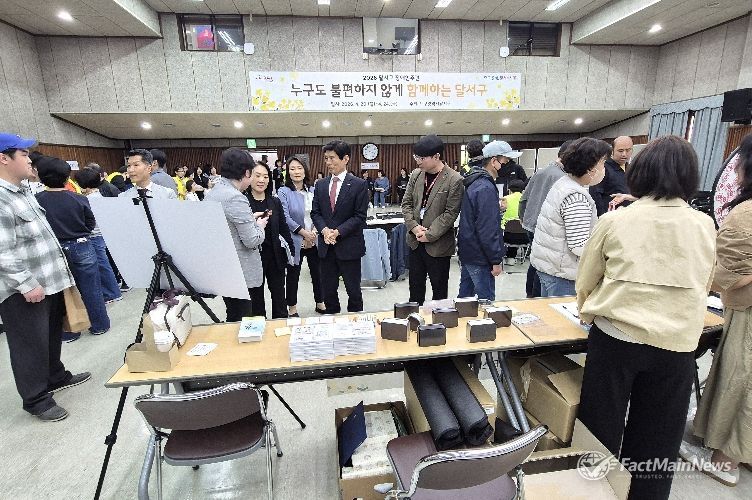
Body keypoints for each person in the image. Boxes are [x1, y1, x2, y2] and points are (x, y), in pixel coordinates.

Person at [576, 135, 716, 500]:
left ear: (640, 172)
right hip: (677, 344)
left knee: (600, 431)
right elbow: (705, 281)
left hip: (617, 337)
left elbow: (586, 280)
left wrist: (587, 309)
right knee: (658, 439)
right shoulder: (704, 224)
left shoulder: (615, 220)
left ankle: (593, 492)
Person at [0, 134, 90, 422]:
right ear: (4, 158)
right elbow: (2, 251)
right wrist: (26, 284)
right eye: (24, 154)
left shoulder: (22, 191)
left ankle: (55, 375)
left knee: (50, 335)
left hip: (48, 281)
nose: (30, 160)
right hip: (24, 289)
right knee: (29, 344)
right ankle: (36, 399)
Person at [681, 133, 752, 487]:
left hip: (748, 313)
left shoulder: (745, 214)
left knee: (742, 381)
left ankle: (726, 459)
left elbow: (725, 274)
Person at [35, 156, 112, 340]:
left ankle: (69, 331)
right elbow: (90, 222)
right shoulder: (79, 198)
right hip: (82, 244)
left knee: (61, 291)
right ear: (67, 177)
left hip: (54, 248)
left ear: (40, 177)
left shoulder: (36, 200)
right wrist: (81, 232)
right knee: (91, 287)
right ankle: (100, 325)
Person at [530, 138, 610, 297]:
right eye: (603, 163)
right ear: (590, 168)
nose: (604, 168)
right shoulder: (576, 197)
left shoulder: (563, 184)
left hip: (551, 266)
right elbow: (579, 246)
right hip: (563, 274)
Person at [204, 149, 267, 321]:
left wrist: (249, 219)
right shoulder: (235, 197)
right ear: (246, 173)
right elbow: (252, 240)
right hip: (240, 271)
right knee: (243, 318)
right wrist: (260, 226)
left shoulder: (214, 193)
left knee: (233, 314)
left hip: (224, 268)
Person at [401, 135, 464, 305]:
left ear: (436, 156)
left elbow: (450, 213)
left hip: (438, 245)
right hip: (415, 242)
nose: (418, 161)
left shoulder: (454, 179)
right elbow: (406, 204)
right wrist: (414, 227)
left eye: (422, 158)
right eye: (416, 157)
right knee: (415, 290)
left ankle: (439, 320)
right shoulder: (416, 175)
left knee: (439, 292)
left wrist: (429, 234)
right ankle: (415, 318)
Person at [310, 140, 368, 314]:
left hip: (349, 246)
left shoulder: (358, 184)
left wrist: (338, 232)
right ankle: (331, 317)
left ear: (345, 159)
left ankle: (355, 322)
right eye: (326, 158)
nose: (328, 162)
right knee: (328, 291)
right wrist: (324, 230)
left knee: (353, 292)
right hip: (326, 248)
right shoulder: (320, 185)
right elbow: (315, 213)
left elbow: (359, 216)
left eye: (332, 158)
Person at [519, 140, 572, 297]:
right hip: (546, 229)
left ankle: (530, 295)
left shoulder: (540, 172)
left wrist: (523, 219)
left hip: (530, 224)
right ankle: (536, 298)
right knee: (543, 266)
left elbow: (523, 199)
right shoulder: (563, 179)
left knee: (535, 261)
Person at [457, 141, 509, 301]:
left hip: (469, 251)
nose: (508, 166)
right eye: (505, 161)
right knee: (486, 301)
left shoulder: (475, 181)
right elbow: (487, 229)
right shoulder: (485, 187)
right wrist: (495, 259)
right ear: (494, 161)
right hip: (480, 256)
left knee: (464, 300)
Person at [277, 155, 325, 317]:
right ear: (288, 172)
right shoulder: (283, 191)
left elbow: (320, 213)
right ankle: (292, 307)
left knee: (318, 273)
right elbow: (285, 217)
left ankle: (320, 302)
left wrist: (314, 233)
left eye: (299, 168)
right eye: (292, 168)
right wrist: (304, 234)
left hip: (314, 238)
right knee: (293, 275)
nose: (296, 171)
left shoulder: (313, 190)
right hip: (295, 240)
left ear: (305, 170)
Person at [246, 162, 293, 319]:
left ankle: (280, 327)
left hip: (275, 256)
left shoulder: (275, 201)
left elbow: (283, 227)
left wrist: (290, 253)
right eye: (257, 175)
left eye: (265, 176)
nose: (262, 180)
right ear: (249, 177)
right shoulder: (243, 202)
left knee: (279, 298)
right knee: (256, 300)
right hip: (253, 259)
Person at [75, 168, 123, 305]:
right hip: (103, 232)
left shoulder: (87, 199)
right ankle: (113, 290)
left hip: (95, 235)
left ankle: (112, 293)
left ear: (84, 185)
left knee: (102, 264)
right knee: (104, 262)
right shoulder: (100, 195)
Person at [590, 136, 633, 216]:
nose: (624, 154)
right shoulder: (603, 168)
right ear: (612, 150)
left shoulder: (632, 169)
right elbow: (595, 195)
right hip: (610, 218)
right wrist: (602, 217)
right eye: (620, 151)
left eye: (628, 150)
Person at [501, 179, 526, 265]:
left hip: (507, 236)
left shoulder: (505, 199)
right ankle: (514, 257)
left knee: (508, 229)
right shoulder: (527, 199)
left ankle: (507, 257)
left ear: (509, 189)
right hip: (524, 237)